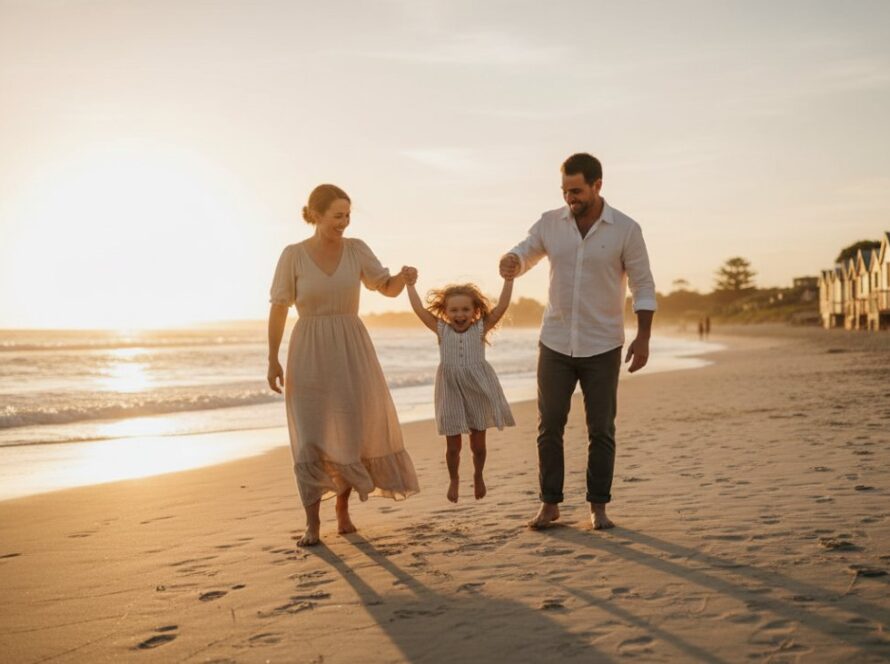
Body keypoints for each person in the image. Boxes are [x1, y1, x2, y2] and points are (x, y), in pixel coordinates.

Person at [499, 153, 656, 531]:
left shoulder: (626, 229)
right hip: (555, 341)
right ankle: (550, 504)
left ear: (597, 185)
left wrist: (643, 337)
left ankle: (598, 507)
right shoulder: (550, 223)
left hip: (603, 344)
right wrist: (512, 260)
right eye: (565, 191)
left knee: (601, 428)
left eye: (577, 190)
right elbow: (527, 250)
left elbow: (643, 284)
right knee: (549, 425)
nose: (570, 198)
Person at [267, 184, 420, 546]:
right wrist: (272, 357)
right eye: (337, 215)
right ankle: (312, 524)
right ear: (315, 215)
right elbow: (278, 307)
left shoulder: (356, 250)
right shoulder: (293, 255)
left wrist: (403, 277)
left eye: (348, 215)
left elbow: (386, 287)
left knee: (348, 431)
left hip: (350, 348)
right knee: (309, 436)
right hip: (308, 350)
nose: (344, 222)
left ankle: (343, 512)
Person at [402, 270, 516, 502]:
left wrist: (509, 280)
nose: (460, 314)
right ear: (446, 312)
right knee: (453, 446)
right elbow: (419, 310)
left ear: (475, 311)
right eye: (454, 310)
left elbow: (502, 306)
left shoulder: (480, 328)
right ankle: (454, 479)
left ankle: (478, 474)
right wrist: (410, 285)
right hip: (450, 389)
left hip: (477, 388)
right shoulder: (441, 329)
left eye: (465, 309)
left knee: (478, 445)